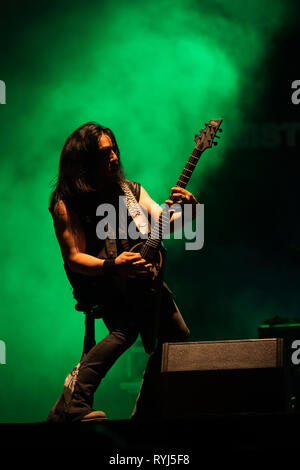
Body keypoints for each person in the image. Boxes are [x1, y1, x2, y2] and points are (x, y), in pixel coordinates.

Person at [47, 122, 198, 423]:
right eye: (105, 153)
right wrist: (114, 266)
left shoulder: (130, 191)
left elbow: (162, 224)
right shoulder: (67, 202)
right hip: (104, 283)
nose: (114, 157)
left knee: (176, 339)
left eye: (114, 148)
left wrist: (192, 212)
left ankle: (147, 412)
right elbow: (74, 257)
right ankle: (75, 401)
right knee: (125, 330)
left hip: (142, 280)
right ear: (86, 160)